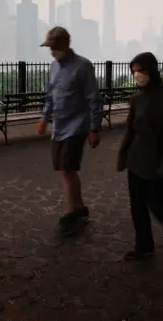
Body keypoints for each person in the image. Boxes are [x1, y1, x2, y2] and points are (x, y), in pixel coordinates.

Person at [116, 52, 163, 260]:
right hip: (137, 160)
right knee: (137, 206)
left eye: (141, 71)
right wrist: (123, 155)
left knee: (156, 203)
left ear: (152, 71)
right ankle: (144, 246)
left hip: (161, 161)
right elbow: (130, 130)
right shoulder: (136, 98)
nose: (138, 76)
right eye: (134, 72)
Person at [38, 26, 103, 236]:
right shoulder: (54, 67)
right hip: (59, 126)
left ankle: (73, 211)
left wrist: (94, 128)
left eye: (54, 46)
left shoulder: (82, 66)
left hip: (77, 126)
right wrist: (44, 119)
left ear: (66, 44)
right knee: (65, 170)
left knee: (68, 168)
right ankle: (80, 207)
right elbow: (51, 95)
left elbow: (94, 99)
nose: (52, 51)